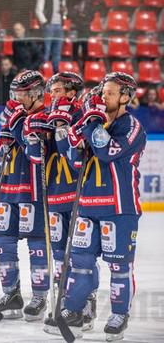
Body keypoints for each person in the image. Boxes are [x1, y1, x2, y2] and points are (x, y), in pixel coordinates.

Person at [45, 72, 146, 341]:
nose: (103, 97)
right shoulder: (93, 122)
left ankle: (119, 314)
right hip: (87, 206)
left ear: (125, 97)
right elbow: (73, 159)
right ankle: (76, 311)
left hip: (119, 208)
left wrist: (90, 124)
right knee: (80, 263)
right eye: (102, 93)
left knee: (119, 266)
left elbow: (106, 151)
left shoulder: (132, 127)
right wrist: (66, 130)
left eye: (110, 93)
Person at [23, 72, 99, 332]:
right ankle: (64, 303)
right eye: (51, 91)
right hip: (54, 196)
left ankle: (85, 304)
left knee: (81, 256)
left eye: (58, 90)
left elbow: (76, 157)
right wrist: (32, 137)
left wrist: (64, 128)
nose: (53, 95)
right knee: (58, 255)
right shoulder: (45, 115)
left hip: (80, 194)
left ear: (72, 91)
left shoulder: (82, 114)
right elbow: (36, 160)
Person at [0, 70, 51, 321]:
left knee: (37, 245)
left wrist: (16, 126)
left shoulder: (47, 116)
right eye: (15, 93)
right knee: (3, 241)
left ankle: (39, 296)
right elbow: (3, 149)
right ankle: (11, 293)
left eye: (22, 94)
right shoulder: (16, 114)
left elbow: (36, 152)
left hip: (35, 190)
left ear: (37, 93)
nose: (17, 98)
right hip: (9, 188)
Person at [35, 0, 66, 74]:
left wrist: (64, 13)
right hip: (49, 26)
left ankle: (55, 73)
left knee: (57, 52)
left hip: (59, 26)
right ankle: (42, 72)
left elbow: (65, 11)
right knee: (46, 51)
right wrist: (45, 23)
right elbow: (38, 10)